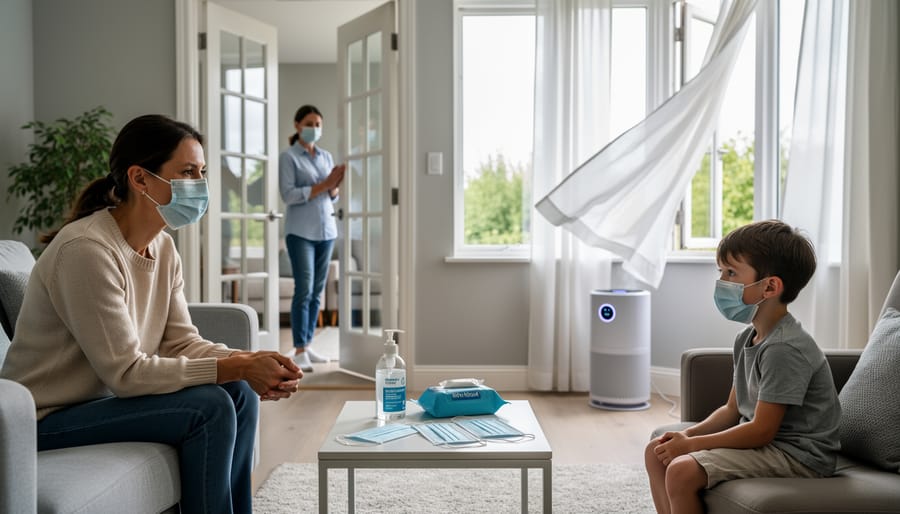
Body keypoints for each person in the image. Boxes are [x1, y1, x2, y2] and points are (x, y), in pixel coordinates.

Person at [0, 114, 303, 514]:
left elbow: (181, 342)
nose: (200, 184)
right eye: (188, 172)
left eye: (202, 172)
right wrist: (242, 365)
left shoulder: (162, 248)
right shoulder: (88, 251)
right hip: (45, 419)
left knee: (239, 394)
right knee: (208, 406)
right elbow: (126, 374)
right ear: (140, 179)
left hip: (101, 403)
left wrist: (249, 363)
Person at [644, 220, 841, 514]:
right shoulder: (746, 338)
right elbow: (731, 410)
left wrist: (691, 447)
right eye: (721, 272)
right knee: (655, 451)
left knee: (681, 470)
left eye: (731, 273)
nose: (721, 281)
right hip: (770, 444)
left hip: (798, 455)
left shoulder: (784, 348)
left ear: (770, 286)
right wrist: (686, 436)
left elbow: (762, 431)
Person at [278, 105, 345, 371]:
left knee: (317, 292)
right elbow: (289, 195)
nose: (314, 128)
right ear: (297, 125)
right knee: (303, 290)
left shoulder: (326, 156)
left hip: (326, 231)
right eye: (309, 123)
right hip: (300, 232)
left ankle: (308, 343)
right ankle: (299, 349)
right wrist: (325, 185)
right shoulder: (289, 157)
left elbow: (331, 195)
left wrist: (334, 186)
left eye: (318, 123)